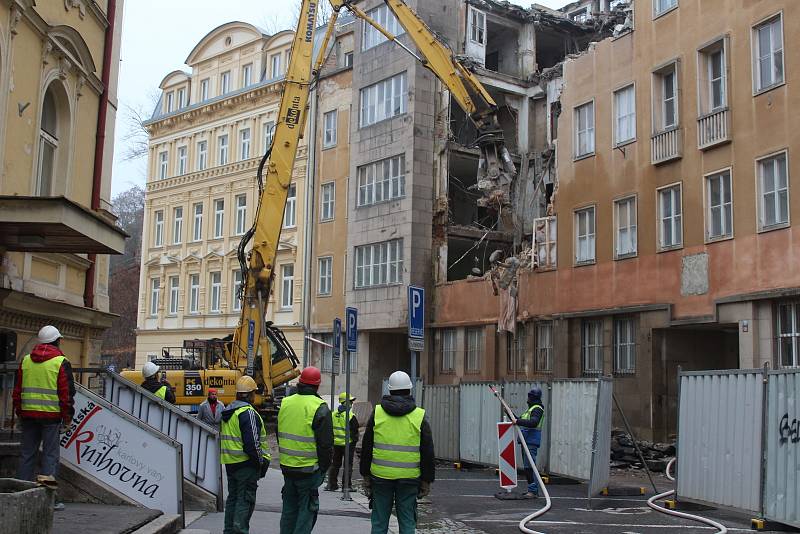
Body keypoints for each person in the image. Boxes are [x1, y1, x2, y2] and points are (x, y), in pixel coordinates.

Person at [360, 371, 435, 534]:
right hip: (409, 478)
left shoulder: (378, 413)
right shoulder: (419, 416)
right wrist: (427, 480)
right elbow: (427, 451)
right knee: (407, 521)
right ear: (409, 389)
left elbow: (367, 446)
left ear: (389, 390)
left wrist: (365, 474)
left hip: (380, 477)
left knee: (379, 522)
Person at [12, 325, 75, 511]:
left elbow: (17, 391)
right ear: (57, 341)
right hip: (51, 417)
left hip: (28, 415)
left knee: (27, 454)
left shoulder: (25, 361)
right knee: (50, 456)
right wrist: (68, 417)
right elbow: (66, 394)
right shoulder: (61, 362)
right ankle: (48, 498)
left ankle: (19, 494)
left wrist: (19, 412)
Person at [278, 366, 333, 534]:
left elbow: (279, 432)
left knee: (289, 510)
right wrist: (323, 469)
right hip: (308, 470)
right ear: (317, 386)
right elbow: (325, 445)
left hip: (287, 467)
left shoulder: (286, 403)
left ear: (300, 383)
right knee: (307, 511)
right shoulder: (320, 407)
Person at [220, 376, 270, 534]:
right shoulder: (247, 413)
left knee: (233, 499)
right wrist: (261, 463)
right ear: (249, 394)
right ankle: (239, 531)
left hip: (230, 463)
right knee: (245, 500)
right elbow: (253, 444)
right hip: (246, 465)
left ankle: (229, 531)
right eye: (254, 392)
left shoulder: (228, 411)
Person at [325, 392, 359, 492]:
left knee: (335, 464)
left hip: (336, 444)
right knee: (348, 465)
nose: (352, 404)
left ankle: (332, 484)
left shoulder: (333, 414)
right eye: (351, 402)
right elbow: (355, 430)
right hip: (348, 444)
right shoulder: (350, 415)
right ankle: (346, 486)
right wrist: (354, 440)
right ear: (345, 402)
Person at [515, 386, 545, 498]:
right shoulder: (530, 409)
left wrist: (517, 420)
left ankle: (533, 491)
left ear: (532, 397)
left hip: (531, 441)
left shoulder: (537, 409)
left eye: (529, 396)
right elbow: (519, 420)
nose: (527, 399)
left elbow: (533, 423)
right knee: (527, 467)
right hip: (526, 441)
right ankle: (531, 489)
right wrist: (511, 414)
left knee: (530, 466)